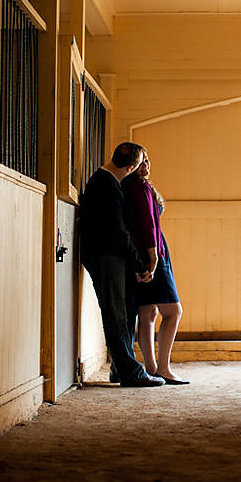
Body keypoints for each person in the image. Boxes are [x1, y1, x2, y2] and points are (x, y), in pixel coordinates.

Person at [80, 142, 166, 387]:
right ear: (131, 167)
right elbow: (118, 232)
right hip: (106, 256)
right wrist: (139, 263)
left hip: (108, 255)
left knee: (123, 310)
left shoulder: (102, 182)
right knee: (116, 314)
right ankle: (130, 372)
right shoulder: (106, 186)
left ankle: (120, 368)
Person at [122, 154, 188, 385]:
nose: (146, 165)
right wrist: (154, 257)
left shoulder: (130, 187)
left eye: (148, 160)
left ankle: (151, 368)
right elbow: (148, 224)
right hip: (153, 253)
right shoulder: (139, 187)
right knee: (173, 312)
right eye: (141, 161)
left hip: (140, 254)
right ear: (130, 164)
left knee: (148, 313)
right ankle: (163, 368)